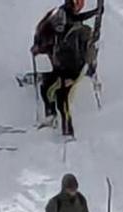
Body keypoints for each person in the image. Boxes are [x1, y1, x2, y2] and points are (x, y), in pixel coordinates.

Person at [31, 0, 100, 137]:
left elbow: (88, 53)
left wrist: (85, 70)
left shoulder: (79, 29)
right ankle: (52, 119)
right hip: (62, 67)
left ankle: (67, 132)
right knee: (48, 88)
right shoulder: (64, 20)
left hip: (71, 69)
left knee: (61, 95)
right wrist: (39, 48)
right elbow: (48, 36)